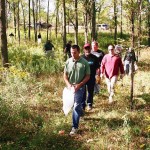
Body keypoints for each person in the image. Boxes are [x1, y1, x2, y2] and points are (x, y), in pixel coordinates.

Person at [64, 44, 90, 135]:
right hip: (70, 87)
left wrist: (80, 85)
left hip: (80, 87)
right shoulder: (68, 62)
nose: (73, 54)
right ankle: (81, 113)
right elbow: (65, 76)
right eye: (71, 52)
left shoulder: (84, 62)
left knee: (76, 105)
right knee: (73, 106)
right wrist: (69, 85)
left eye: (74, 53)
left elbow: (87, 76)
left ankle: (74, 127)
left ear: (79, 52)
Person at [81, 43, 100, 111]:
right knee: (83, 91)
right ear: (84, 49)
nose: (87, 50)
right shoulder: (81, 58)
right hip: (82, 78)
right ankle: (82, 105)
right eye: (86, 48)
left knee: (90, 91)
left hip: (91, 77)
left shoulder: (94, 58)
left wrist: (98, 75)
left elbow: (97, 68)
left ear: (90, 49)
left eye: (88, 48)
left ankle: (89, 104)